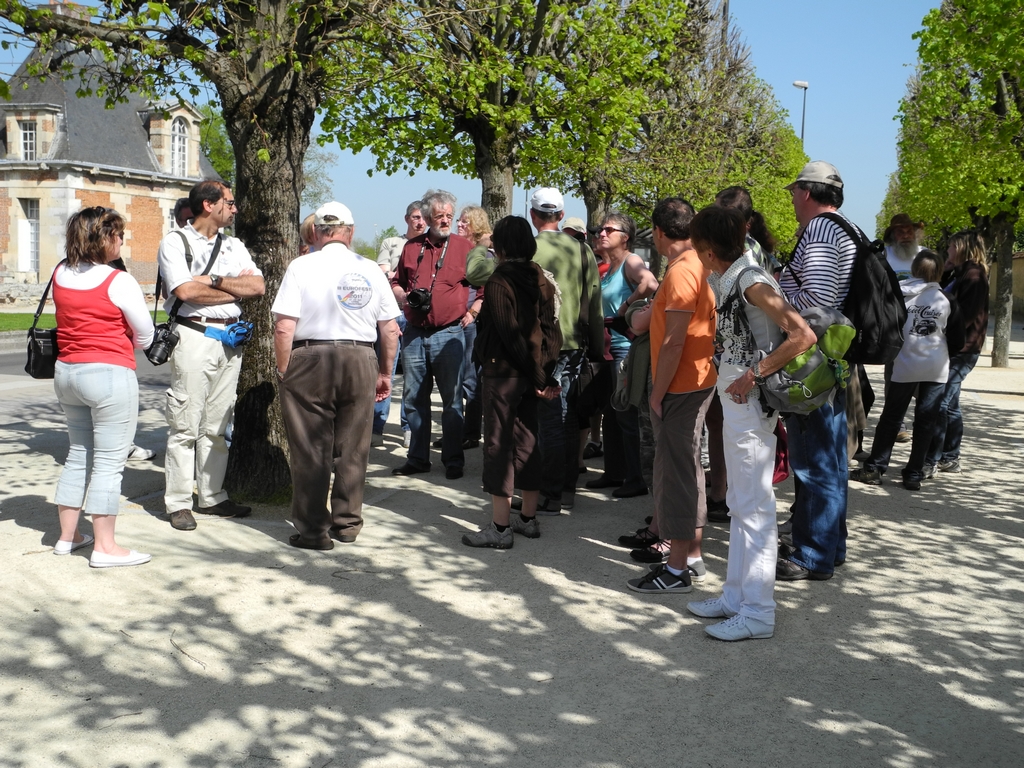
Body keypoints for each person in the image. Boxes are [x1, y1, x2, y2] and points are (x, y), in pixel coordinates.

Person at [686, 205, 817, 641]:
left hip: (750, 401)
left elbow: (802, 334)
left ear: (707, 248)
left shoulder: (750, 280)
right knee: (744, 505)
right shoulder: (737, 276)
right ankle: (737, 597)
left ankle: (758, 611)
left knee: (754, 507)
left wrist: (752, 374)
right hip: (740, 400)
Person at [272, 202, 401, 550]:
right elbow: (390, 330)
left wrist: (285, 369)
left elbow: (284, 327)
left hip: (311, 356)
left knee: (311, 448)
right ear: (351, 232)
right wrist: (385, 372)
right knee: (354, 447)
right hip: (360, 355)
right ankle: (347, 522)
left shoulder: (301, 266)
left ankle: (313, 529)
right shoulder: (371, 270)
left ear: (316, 232)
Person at [157, 180, 266, 532]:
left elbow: (258, 287)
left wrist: (215, 280)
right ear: (209, 204)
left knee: (218, 424)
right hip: (193, 336)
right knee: (185, 422)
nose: (234, 209)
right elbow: (186, 291)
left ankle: (212, 495)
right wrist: (233, 291)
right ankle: (178, 502)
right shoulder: (176, 242)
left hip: (228, 341)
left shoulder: (233, 245)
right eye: (229, 203)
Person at [51, 206, 155, 567]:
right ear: (103, 237)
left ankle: (68, 537)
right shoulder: (117, 280)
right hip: (108, 373)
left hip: (67, 371)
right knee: (110, 462)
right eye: (118, 234)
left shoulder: (59, 272)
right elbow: (145, 335)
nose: (122, 240)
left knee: (78, 453)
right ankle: (105, 547)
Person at [626, 198, 717, 595]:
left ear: (660, 233)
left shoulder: (682, 271)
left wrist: (657, 393)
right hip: (694, 381)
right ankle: (690, 554)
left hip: (682, 385)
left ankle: (677, 567)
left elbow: (674, 340)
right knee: (688, 469)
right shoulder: (699, 263)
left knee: (677, 474)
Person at [776, 161, 856, 581]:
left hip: (814, 363)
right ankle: (830, 546)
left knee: (815, 463)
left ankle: (811, 555)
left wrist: (773, 288)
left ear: (807, 192)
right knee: (831, 461)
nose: (791, 200)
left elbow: (816, 302)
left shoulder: (822, 230)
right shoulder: (847, 227)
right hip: (832, 358)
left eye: (793, 192)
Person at [462, 216, 562, 548]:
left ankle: (500, 528)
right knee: (528, 441)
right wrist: (544, 372)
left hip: (504, 372)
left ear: (500, 246)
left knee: (498, 446)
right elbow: (552, 332)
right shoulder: (541, 278)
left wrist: (537, 374)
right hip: (532, 374)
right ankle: (528, 519)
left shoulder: (499, 281)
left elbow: (510, 335)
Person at [850, 250, 964, 491]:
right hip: (935, 366)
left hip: (904, 363)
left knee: (892, 417)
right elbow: (957, 340)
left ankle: (876, 467)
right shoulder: (947, 299)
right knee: (926, 420)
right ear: (940, 272)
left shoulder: (900, 296)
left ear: (914, 270)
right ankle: (913, 472)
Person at [390, 189, 474, 480]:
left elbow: (487, 284)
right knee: (414, 398)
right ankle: (418, 458)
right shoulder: (411, 247)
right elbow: (397, 282)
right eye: (439, 216)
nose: (445, 220)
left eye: (449, 216)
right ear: (426, 217)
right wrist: (404, 297)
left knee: (452, 401)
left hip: (449, 332)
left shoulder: (465, 247)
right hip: (414, 333)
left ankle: (453, 459)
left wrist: (473, 312)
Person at [586, 211, 658, 498]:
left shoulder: (631, 261)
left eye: (608, 230)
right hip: (607, 350)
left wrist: (625, 307)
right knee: (611, 415)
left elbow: (650, 284)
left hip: (625, 351)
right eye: (600, 229)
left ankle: (636, 478)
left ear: (625, 237)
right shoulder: (607, 266)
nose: (601, 233)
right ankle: (615, 472)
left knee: (627, 416)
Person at [927, 231, 990, 474]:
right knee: (950, 403)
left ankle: (937, 455)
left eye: (952, 246)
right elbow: (937, 292)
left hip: (963, 348)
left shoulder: (974, 275)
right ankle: (950, 455)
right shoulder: (960, 271)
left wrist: (942, 330)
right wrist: (945, 270)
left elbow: (965, 315)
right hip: (955, 346)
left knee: (941, 401)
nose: (949, 250)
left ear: (963, 247)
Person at [373, 201, 426, 447]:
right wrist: (396, 277)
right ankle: (376, 426)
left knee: (414, 374)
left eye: (424, 217)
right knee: (386, 369)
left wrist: (395, 275)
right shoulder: (392, 243)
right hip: (392, 312)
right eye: (415, 217)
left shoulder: (433, 245)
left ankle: (409, 427)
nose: (420, 221)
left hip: (418, 315)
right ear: (407, 219)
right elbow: (383, 273)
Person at [883, 213, 924, 281]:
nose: (905, 236)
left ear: (915, 234)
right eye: (900, 232)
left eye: (909, 232)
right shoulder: (884, 255)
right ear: (892, 236)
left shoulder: (924, 254)